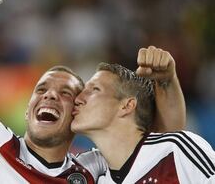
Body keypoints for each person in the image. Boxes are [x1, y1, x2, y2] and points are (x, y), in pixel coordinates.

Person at [0, 0, 186, 183]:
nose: (50, 95)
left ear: (77, 113)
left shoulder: (95, 169)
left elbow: (166, 146)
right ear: (28, 109)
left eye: (65, 93)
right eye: (42, 89)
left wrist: (167, 81)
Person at [72, 60, 215, 183]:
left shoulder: (175, 150)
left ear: (126, 106)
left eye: (95, 89)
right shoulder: (95, 176)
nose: (78, 99)